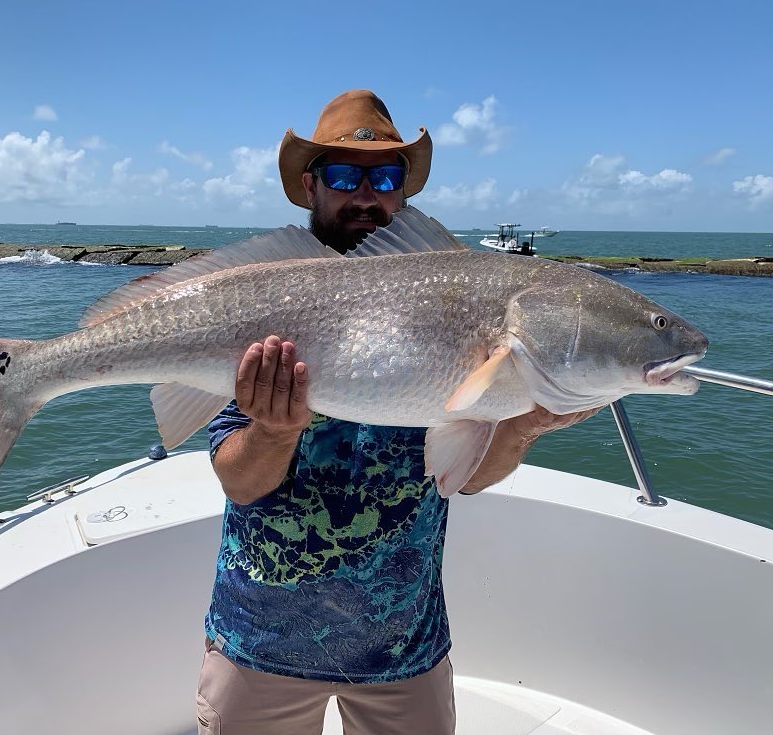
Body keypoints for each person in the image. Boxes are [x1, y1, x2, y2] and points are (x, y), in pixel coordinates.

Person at [196, 90, 596, 734]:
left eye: (384, 178)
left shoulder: (457, 289)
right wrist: (271, 431)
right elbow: (240, 482)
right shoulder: (259, 301)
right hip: (259, 644)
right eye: (343, 175)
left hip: (404, 649)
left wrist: (524, 425)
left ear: (403, 191)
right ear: (310, 185)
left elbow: (465, 476)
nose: (366, 195)